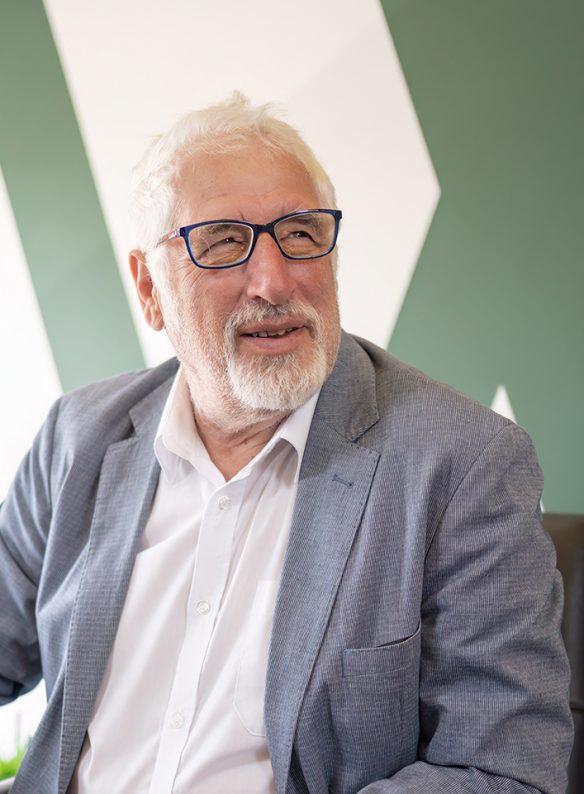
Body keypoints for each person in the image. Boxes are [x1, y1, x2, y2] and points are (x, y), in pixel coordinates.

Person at [0, 93, 572, 794]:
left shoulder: (461, 465)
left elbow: (504, 767)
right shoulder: (77, 439)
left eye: (300, 234)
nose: (273, 281)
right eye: (222, 241)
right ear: (149, 288)